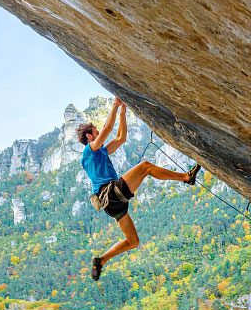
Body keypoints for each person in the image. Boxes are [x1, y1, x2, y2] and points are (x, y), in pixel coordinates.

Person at [77, 97, 201, 281]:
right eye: (95, 132)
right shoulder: (89, 151)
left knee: (133, 241)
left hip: (111, 205)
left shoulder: (101, 151)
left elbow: (121, 138)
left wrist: (123, 112)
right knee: (145, 167)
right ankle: (186, 177)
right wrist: (115, 105)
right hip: (110, 193)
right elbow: (108, 129)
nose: (99, 134)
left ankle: (101, 260)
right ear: (89, 136)